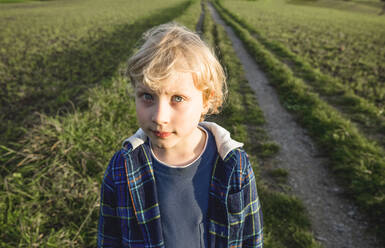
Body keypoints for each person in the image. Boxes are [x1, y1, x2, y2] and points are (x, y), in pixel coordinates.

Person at [97, 22, 263, 248]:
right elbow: (109, 239)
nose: (159, 116)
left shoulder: (234, 165)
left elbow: (250, 238)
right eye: (147, 96)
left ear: (206, 100)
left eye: (177, 98)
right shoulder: (122, 168)